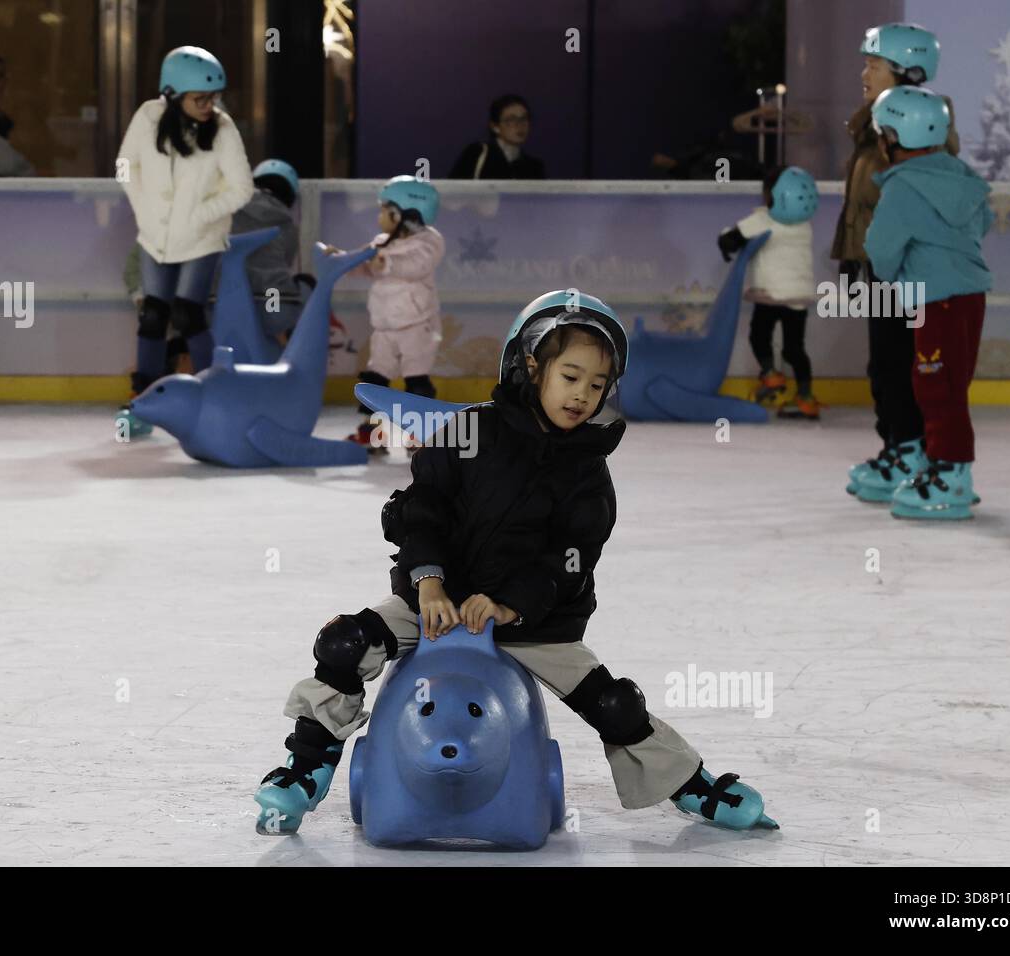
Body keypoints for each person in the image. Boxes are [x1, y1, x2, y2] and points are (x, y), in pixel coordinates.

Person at [252, 290, 777, 835]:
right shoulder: (467, 433)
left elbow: (569, 560)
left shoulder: (587, 472)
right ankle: (307, 767)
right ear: (531, 365)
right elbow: (422, 513)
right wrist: (428, 582)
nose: (582, 396)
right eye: (570, 377)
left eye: (597, 386)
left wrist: (511, 605)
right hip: (434, 602)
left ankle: (690, 784)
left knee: (616, 703)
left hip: (535, 621)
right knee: (345, 642)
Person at [834, 23, 961, 495]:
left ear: (906, 71)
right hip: (881, 264)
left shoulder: (924, 125)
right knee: (884, 364)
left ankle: (913, 450)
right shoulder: (873, 122)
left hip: (911, 269)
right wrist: (851, 259)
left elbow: (924, 190)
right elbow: (861, 206)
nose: (863, 72)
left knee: (904, 362)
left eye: (873, 64)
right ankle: (899, 447)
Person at [861, 87, 991, 519]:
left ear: (892, 138)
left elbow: (880, 248)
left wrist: (892, 276)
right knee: (950, 384)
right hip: (969, 297)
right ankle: (945, 467)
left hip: (936, 301)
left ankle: (951, 476)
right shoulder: (960, 177)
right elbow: (982, 222)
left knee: (936, 387)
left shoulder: (902, 189)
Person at [114, 46, 253, 437]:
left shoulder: (222, 129)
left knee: (188, 314)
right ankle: (142, 401)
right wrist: (144, 209)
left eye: (214, 97)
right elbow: (125, 165)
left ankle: (212, 397)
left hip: (202, 239)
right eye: (200, 98)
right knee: (154, 314)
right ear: (173, 94)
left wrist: (199, 216)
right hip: (154, 238)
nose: (210, 105)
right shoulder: (148, 116)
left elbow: (243, 188)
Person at [335, 176, 446, 454]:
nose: (380, 216)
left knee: (416, 381)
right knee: (375, 380)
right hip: (384, 326)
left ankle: (422, 433)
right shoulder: (382, 242)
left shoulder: (429, 242)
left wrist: (385, 261)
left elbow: (415, 266)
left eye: (384, 210)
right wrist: (341, 261)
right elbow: (365, 264)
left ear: (402, 214)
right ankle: (371, 431)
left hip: (417, 326)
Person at [717, 166, 821, 418]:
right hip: (798, 296)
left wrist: (725, 241)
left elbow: (731, 238)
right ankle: (806, 397)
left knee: (759, 336)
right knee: (794, 349)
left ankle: (771, 374)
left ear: (772, 195)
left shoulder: (763, 221)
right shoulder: (805, 226)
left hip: (770, 295)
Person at [227, 158, 313, 346]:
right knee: (305, 283)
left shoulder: (227, 210)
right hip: (271, 303)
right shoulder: (287, 225)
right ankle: (289, 344)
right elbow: (285, 262)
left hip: (221, 305)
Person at [448, 94, 545, 179]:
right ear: (495, 127)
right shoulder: (477, 154)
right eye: (511, 119)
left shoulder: (534, 167)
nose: (519, 125)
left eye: (524, 119)